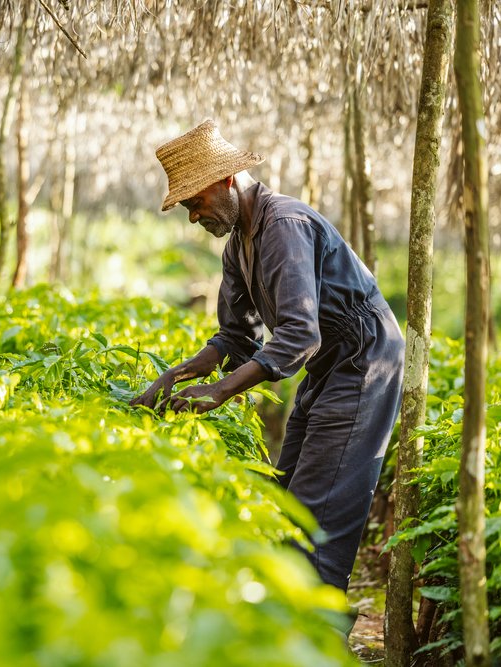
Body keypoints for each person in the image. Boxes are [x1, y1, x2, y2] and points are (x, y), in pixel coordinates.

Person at [131, 119, 405, 594]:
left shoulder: (282, 225)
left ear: (225, 180)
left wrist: (218, 392)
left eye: (195, 203)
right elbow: (236, 337)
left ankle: (318, 635)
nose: (194, 218)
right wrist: (171, 378)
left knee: (317, 517)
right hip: (329, 365)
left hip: (364, 361)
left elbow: (299, 334)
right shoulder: (239, 244)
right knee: (287, 496)